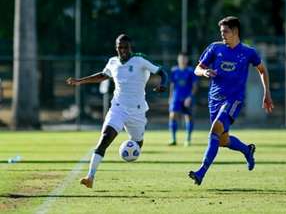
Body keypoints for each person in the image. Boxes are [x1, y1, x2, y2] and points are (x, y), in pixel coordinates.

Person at [66, 34, 167, 188]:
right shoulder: (112, 62)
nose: (123, 50)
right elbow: (102, 75)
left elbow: (162, 72)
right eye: (120, 47)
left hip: (137, 111)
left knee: (138, 143)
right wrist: (80, 81)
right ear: (116, 48)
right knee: (105, 138)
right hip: (118, 108)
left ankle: (132, 148)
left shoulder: (140, 60)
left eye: (126, 47)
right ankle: (90, 176)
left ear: (130, 47)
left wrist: (162, 84)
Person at [188, 16, 274, 185]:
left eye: (225, 32)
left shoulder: (249, 52)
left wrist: (267, 93)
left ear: (235, 32)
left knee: (214, 131)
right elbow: (197, 69)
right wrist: (204, 73)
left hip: (234, 100)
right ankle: (247, 150)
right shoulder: (215, 48)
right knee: (222, 140)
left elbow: (262, 70)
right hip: (214, 99)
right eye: (221, 32)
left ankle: (201, 172)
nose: (222, 35)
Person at [168, 52, 198, 146]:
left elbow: (194, 86)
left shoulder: (190, 71)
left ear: (187, 60)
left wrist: (190, 97)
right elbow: (172, 85)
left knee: (188, 117)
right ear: (178, 59)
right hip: (176, 98)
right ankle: (173, 139)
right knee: (172, 116)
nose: (183, 60)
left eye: (184, 58)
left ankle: (188, 139)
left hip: (187, 98)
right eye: (181, 58)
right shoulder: (174, 70)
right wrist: (170, 97)